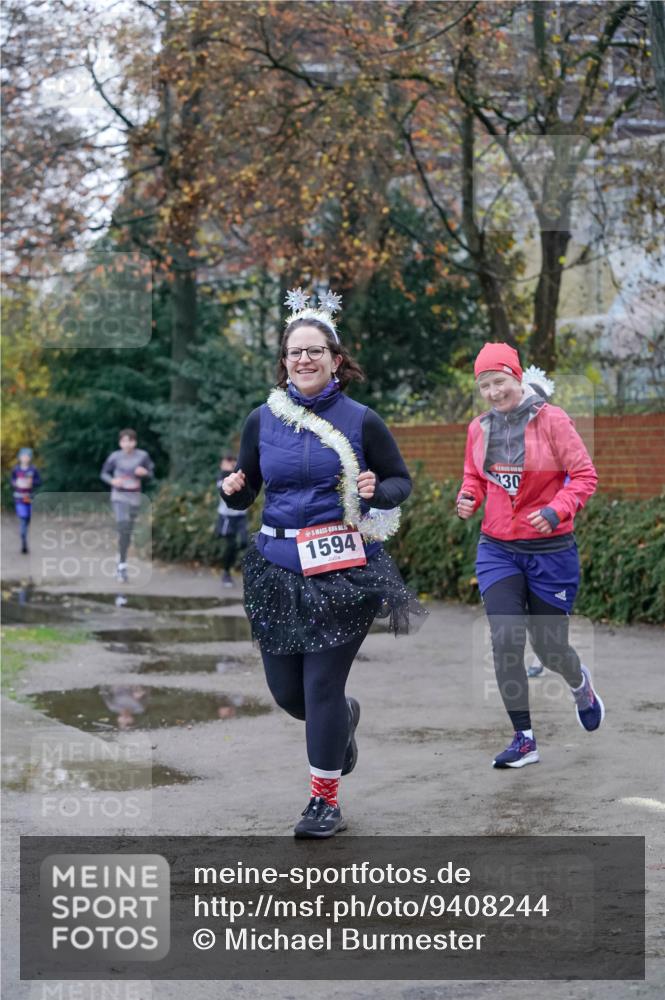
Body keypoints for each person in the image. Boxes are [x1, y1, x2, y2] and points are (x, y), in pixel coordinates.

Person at [222, 288, 426, 838]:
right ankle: (343, 722)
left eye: (315, 351)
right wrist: (233, 490)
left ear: (336, 359)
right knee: (290, 695)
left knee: (321, 688)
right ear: (284, 361)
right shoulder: (262, 420)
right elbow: (247, 488)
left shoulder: (362, 420)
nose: (305, 359)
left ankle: (324, 801)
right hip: (276, 567)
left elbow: (400, 481)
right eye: (295, 352)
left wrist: (377, 490)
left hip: (343, 569)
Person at [456, 343, 605, 769]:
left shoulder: (552, 420)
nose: (493, 392)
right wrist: (468, 496)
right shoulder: (479, 428)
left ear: (516, 377)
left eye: (499, 381)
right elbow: (474, 477)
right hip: (498, 549)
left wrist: (557, 509)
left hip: (550, 552)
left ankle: (579, 684)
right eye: (484, 385)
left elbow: (584, 476)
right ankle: (524, 739)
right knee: (505, 639)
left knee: (549, 646)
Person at [100, 429, 154, 582]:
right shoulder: (115, 456)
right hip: (119, 496)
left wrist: (145, 473)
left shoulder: (142, 456)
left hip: (134, 496)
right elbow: (103, 473)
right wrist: (112, 481)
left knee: (127, 532)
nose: (127, 444)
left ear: (135, 442)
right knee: (123, 527)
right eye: (124, 441)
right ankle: (122, 566)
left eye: (130, 441)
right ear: (120, 443)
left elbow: (151, 474)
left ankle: (121, 557)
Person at [216, 453, 249, 587]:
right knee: (231, 545)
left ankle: (234, 564)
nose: (230, 465)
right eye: (227, 462)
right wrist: (230, 472)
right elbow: (225, 489)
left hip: (240, 516)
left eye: (232, 462)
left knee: (244, 542)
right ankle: (226, 572)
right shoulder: (222, 477)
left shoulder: (241, 474)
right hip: (227, 517)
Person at [10, 448, 42, 554]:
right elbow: (12, 480)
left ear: (30, 458)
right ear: (19, 457)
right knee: (23, 519)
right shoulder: (16, 470)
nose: (25, 458)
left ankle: (25, 532)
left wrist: (32, 482)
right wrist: (16, 483)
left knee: (28, 519)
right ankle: (23, 539)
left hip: (29, 497)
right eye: (23, 456)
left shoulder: (33, 469)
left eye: (27, 456)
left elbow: (39, 481)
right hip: (19, 498)